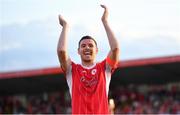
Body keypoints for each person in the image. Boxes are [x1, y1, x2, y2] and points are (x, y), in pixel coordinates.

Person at [57, 4, 119, 114]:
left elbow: (115, 48)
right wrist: (65, 26)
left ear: (96, 50)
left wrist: (105, 21)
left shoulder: (105, 68)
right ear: (78, 51)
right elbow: (61, 51)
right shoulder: (71, 70)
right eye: (83, 46)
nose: (87, 47)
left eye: (91, 45)